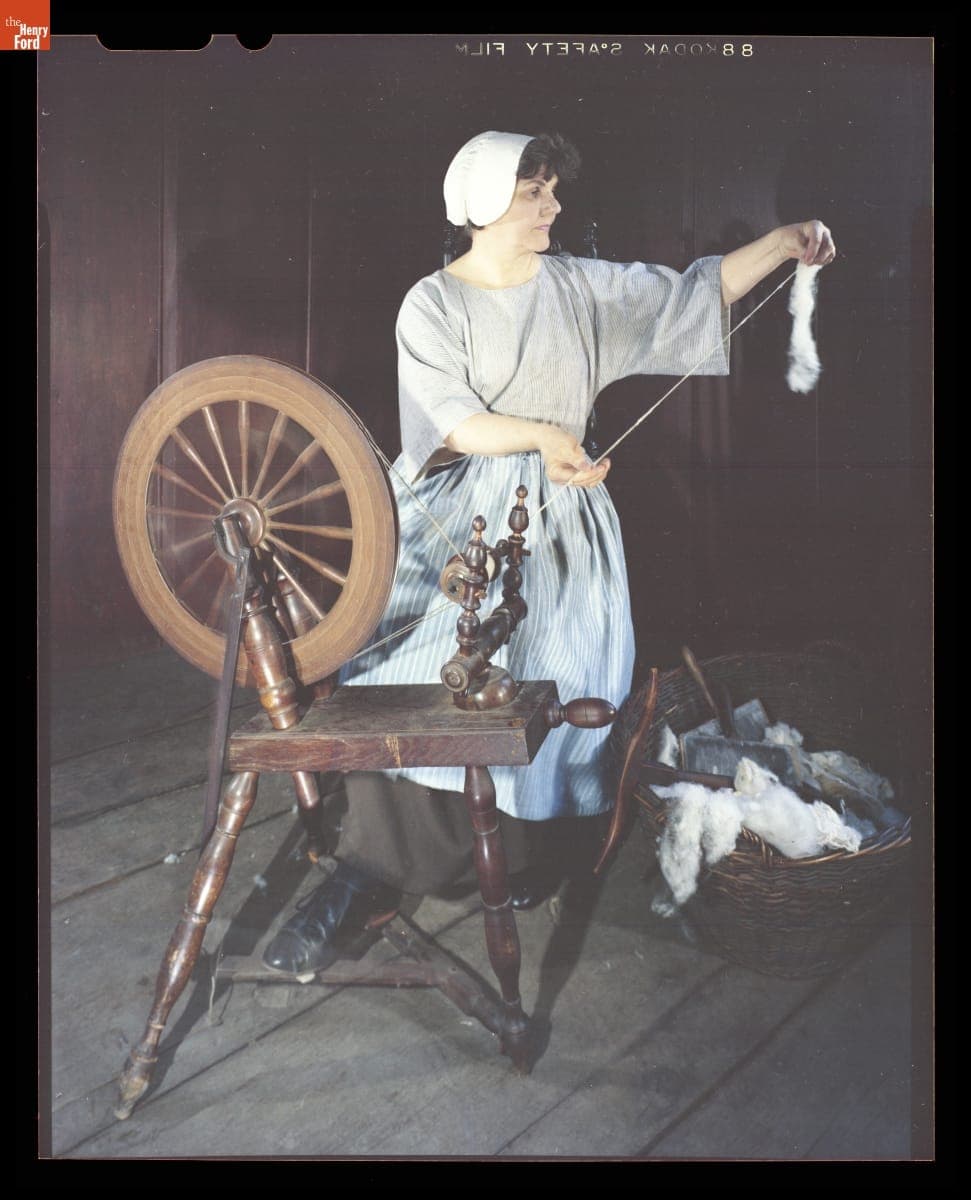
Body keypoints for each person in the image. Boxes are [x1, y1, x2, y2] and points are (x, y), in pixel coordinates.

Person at [263, 130, 835, 974]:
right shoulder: (431, 304)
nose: (553, 206)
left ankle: (523, 860)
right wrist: (539, 433)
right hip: (452, 517)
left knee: (562, 673)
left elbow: (692, 292)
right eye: (535, 192)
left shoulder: (576, 285)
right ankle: (368, 873)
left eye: (550, 191)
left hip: (562, 514)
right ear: (484, 202)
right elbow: (453, 419)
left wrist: (784, 245)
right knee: (407, 671)